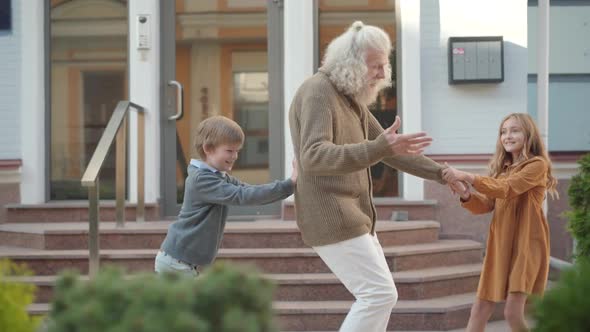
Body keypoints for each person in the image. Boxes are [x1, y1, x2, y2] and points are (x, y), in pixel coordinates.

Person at [288, 21, 455, 331]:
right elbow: (313, 156)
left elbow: (390, 152)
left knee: (379, 296)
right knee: (378, 295)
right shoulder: (318, 93)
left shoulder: (351, 101)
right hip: (331, 215)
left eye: (385, 64)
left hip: (354, 214)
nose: (383, 74)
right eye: (376, 65)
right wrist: (379, 146)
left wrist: (444, 173)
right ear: (350, 63)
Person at [442, 113, 559, 332]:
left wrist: (467, 175)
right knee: (478, 311)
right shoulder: (501, 171)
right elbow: (485, 205)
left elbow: (506, 189)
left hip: (526, 245)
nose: (507, 136)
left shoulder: (537, 165)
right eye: (503, 132)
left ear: (528, 134)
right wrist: (465, 193)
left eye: (514, 130)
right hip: (500, 246)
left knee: (512, 313)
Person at [155, 116, 297, 277]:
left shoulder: (218, 176)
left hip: (181, 261)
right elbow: (243, 195)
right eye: (229, 150)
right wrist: (290, 184)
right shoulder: (201, 179)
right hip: (175, 262)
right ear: (208, 148)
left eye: (237, 151)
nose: (235, 156)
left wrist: (289, 185)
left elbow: (248, 190)